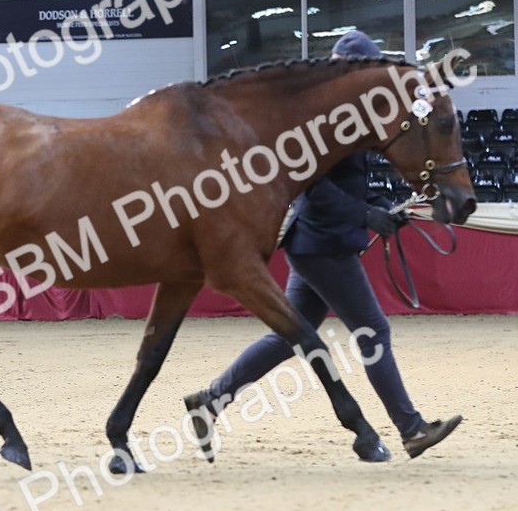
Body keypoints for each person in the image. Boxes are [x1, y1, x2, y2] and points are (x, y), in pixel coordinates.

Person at [184, 30, 462, 462]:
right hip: (323, 244)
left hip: (316, 243)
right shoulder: (325, 120)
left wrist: (382, 208)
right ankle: (411, 429)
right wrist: (365, 216)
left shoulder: (351, 117)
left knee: (286, 338)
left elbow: (350, 185)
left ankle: (210, 401)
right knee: (373, 332)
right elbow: (315, 190)